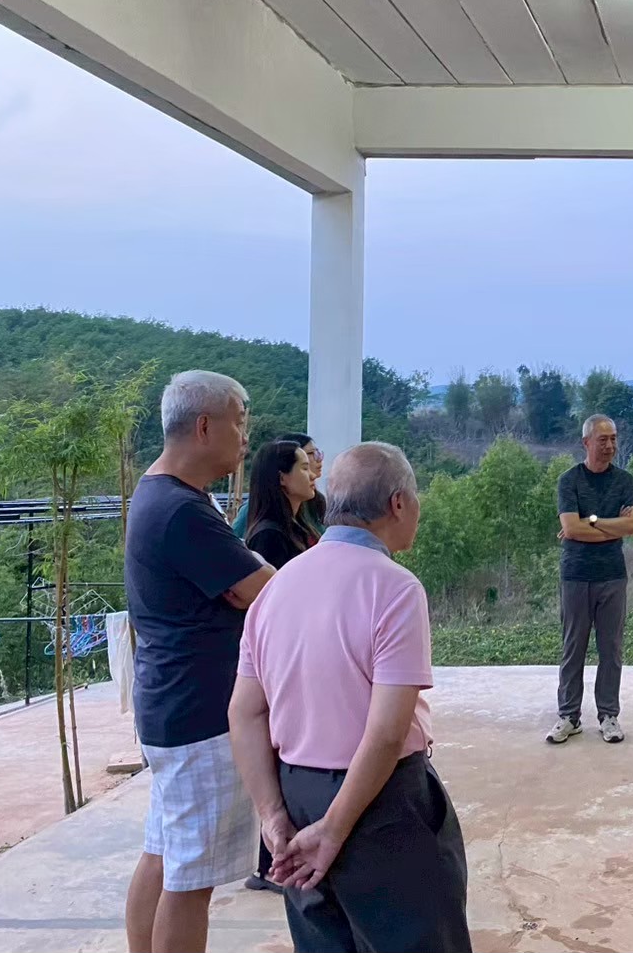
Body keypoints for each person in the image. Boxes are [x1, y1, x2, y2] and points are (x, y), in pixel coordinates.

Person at [229, 443, 471, 953]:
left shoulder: (277, 587)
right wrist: (335, 829)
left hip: (296, 797)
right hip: (379, 802)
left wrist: (273, 816)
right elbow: (384, 733)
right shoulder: (395, 588)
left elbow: (245, 712)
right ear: (399, 503)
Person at [123, 371, 275, 953]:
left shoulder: (162, 494)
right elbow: (261, 587)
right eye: (240, 421)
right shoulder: (181, 510)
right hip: (201, 714)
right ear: (205, 426)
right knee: (191, 882)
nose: (245, 436)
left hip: (172, 705)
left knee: (165, 854)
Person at [240, 439, 320, 893]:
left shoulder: (297, 524)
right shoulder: (268, 535)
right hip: (284, 659)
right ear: (281, 479)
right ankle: (272, 863)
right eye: (303, 466)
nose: (312, 473)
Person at [546, 414, 633, 745]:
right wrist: (611, 525)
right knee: (573, 647)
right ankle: (568, 717)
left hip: (612, 575)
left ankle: (608, 716)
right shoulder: (569, 481)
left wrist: (592, 520)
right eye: (603, 439)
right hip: (576, 575)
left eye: (613, 438)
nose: (610, 445)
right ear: (586, 442)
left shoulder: (625, 481)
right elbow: (570, 528)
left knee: (611, 649)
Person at [232, 432, 326, 539]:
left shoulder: (315, 501)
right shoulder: (264, 526)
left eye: (317, 453)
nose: (319, 458)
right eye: (311, 453)